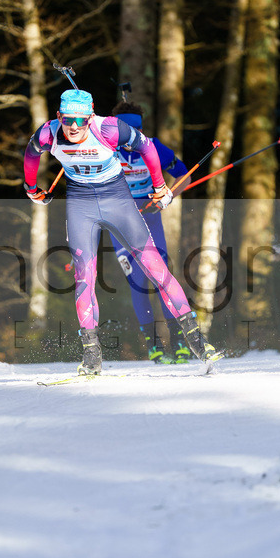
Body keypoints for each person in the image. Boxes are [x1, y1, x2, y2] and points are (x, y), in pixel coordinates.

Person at [23, 89, 220, 375]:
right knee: (84, 278)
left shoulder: (110, 129)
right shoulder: (48, 134)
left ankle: (195, 340)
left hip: (119, 202)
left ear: (90, 117)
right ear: (58, 117)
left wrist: (160, 187)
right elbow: (30, 153)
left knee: (156, 269)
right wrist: (31, 188)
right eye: (68, 120)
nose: (74, 127)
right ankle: (91, 354)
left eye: (80, 120)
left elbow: (149, 148)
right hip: (81, 205)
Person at [108, 100, 192, 364]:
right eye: (127, 129)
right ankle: (154, 347)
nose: (133, 136)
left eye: (138, 128)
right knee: (137, 281)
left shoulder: (153, 146)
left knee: (162, 278)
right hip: (120, 222)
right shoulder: (105, 148)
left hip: (150, 217)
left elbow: (185, 176)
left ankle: (179, 343)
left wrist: (167, 197)